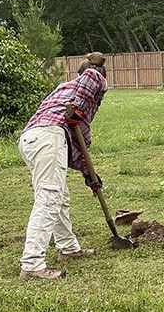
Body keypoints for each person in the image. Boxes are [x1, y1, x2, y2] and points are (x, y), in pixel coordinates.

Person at [17, 52, 108, 280]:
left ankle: (68, 248)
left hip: (31, 139)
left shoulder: (61, 91)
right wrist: (95, 69)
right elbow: (91, 78)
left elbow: (78, 148)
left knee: (60, 196)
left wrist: (91, 176)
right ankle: (32, 265)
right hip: (49, 137)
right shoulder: (87, 86)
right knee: (49, 198)